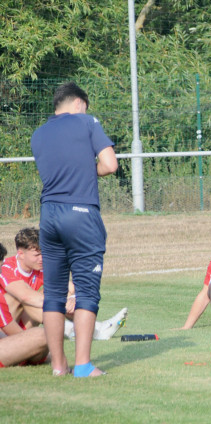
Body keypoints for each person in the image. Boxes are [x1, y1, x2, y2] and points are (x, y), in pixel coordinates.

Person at [30, 82, 118, 377]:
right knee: (86, 291)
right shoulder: (87, 121)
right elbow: (110, 164)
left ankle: (58, 367)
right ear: (79, 103)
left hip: (49, 216)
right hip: (81, 214)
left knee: (53, 293)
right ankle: (83, 366)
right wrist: (87, 171)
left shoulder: (38, 134)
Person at [1, 227, 126, 341]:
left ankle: (92, 329)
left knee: (58, 292)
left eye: (43, 253)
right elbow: (25, 296)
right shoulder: (6, 268)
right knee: (23, 298)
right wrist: (62, 303)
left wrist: (72, 298)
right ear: (21, 254)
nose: (42, 258)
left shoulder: (40, 267)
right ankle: (84, 330)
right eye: (37, 255)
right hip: (4, 330)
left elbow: (69, 287)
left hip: (23, 328)